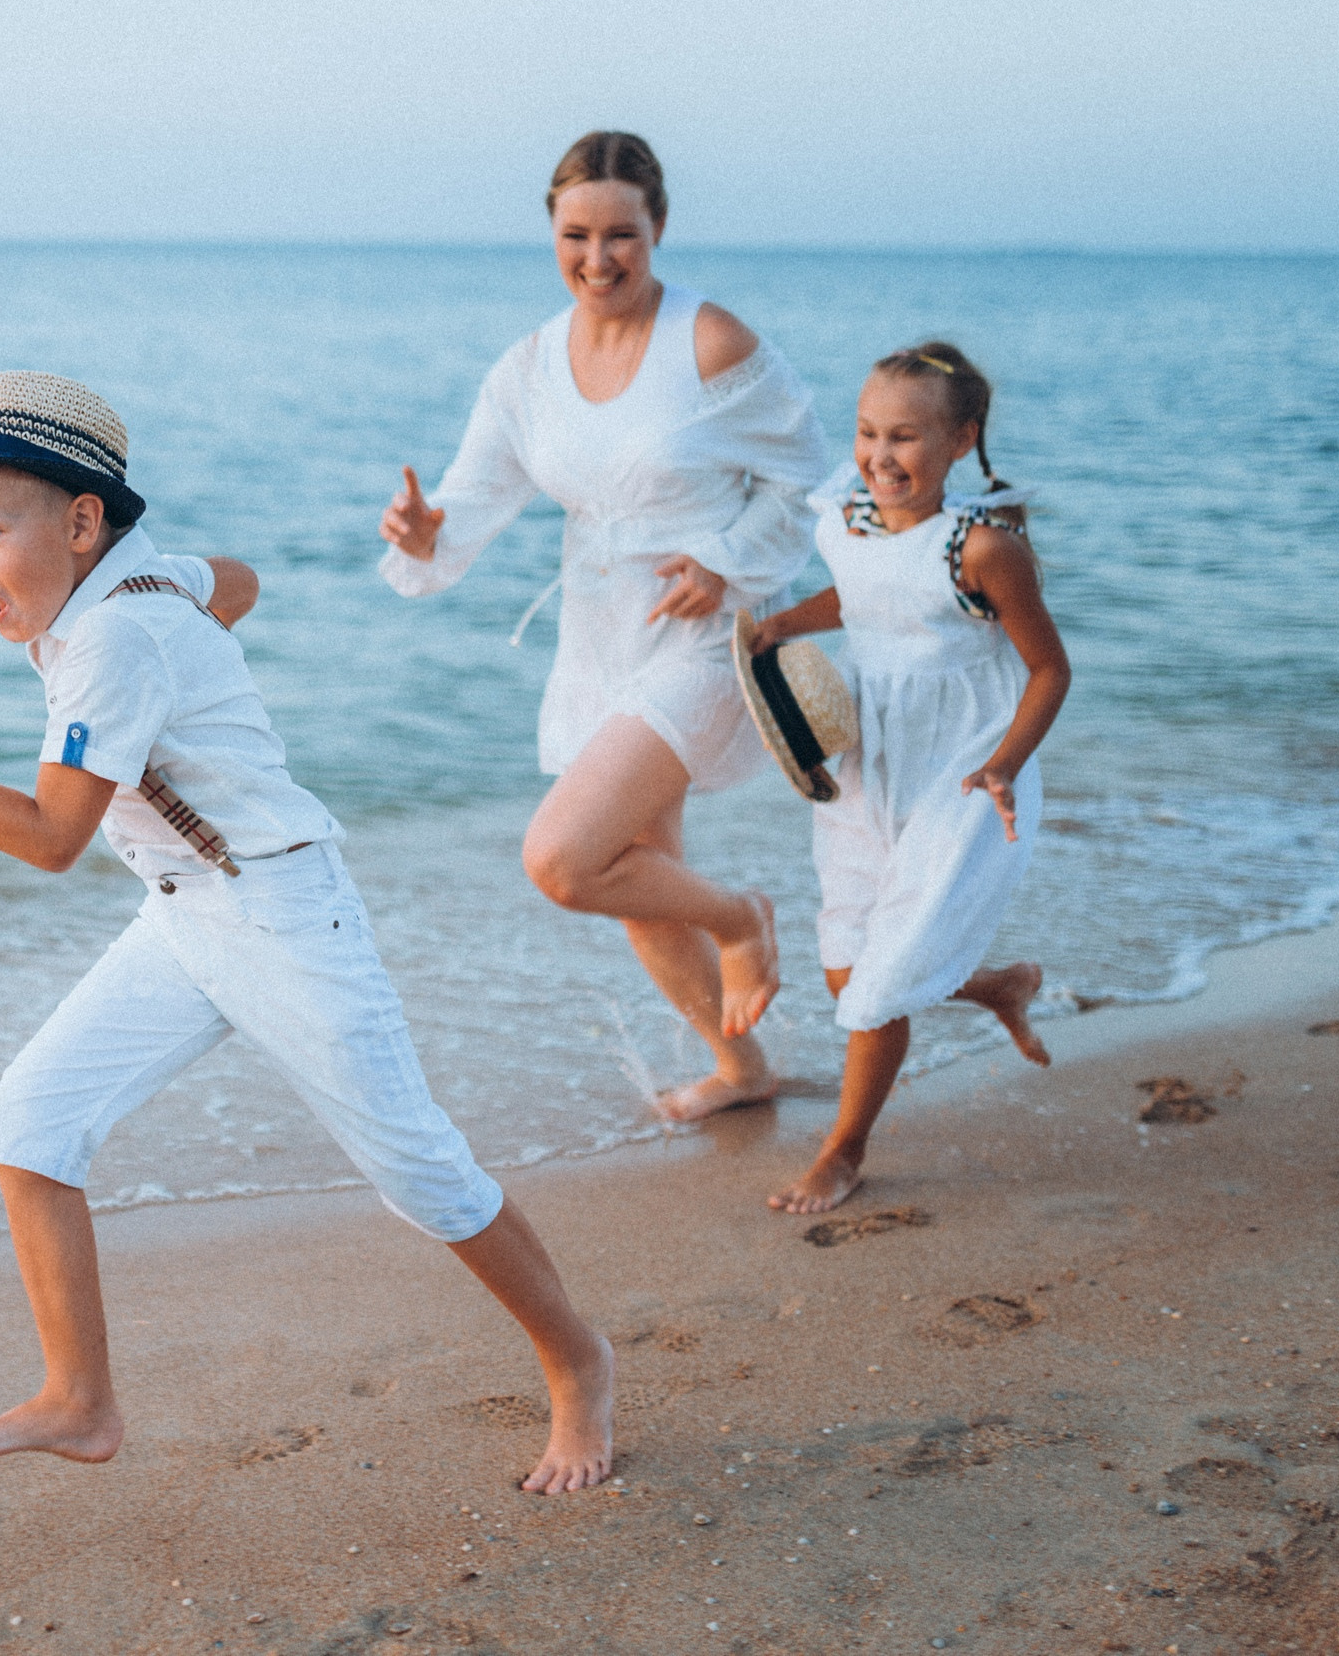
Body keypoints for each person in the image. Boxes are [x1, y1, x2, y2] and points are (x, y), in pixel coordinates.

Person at [0, 370, 616, 1494]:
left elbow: (54, 838)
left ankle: (577, 1358)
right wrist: (190, 646)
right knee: (28, 1125)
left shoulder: (110, 642)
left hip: (285, 915)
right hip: (185, 910)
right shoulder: (137, 583)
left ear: (80, 521)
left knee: (422, 1174)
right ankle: (80, 1397)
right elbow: (234, 583)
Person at [379, 131, 832, 1117]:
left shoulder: (709, 341)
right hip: (596, 638)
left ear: (657, 228)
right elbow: (472, 496)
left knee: (564, 858)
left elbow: (804, 478)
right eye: (574, 234)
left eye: (619, 234)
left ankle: (742, 917)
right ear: (550, 230)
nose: (597, 258)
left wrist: (725, 561)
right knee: (634, 874)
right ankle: (741, 1071)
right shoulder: (528, 366)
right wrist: (422, 534)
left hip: (700, 640)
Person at [745, 342, 1069, 1212]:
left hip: (964, 767)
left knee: (881, 986)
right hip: (865, 762)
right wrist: (780, 626)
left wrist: (1003, 764)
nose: (881, 457)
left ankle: (843, 1150)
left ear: (960, 440)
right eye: (866, 433)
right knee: (850, 974)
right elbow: (858, 599)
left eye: (906, 438)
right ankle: (996, 984)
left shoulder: (984, 550)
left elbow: (1050, 672)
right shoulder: (845, 520)